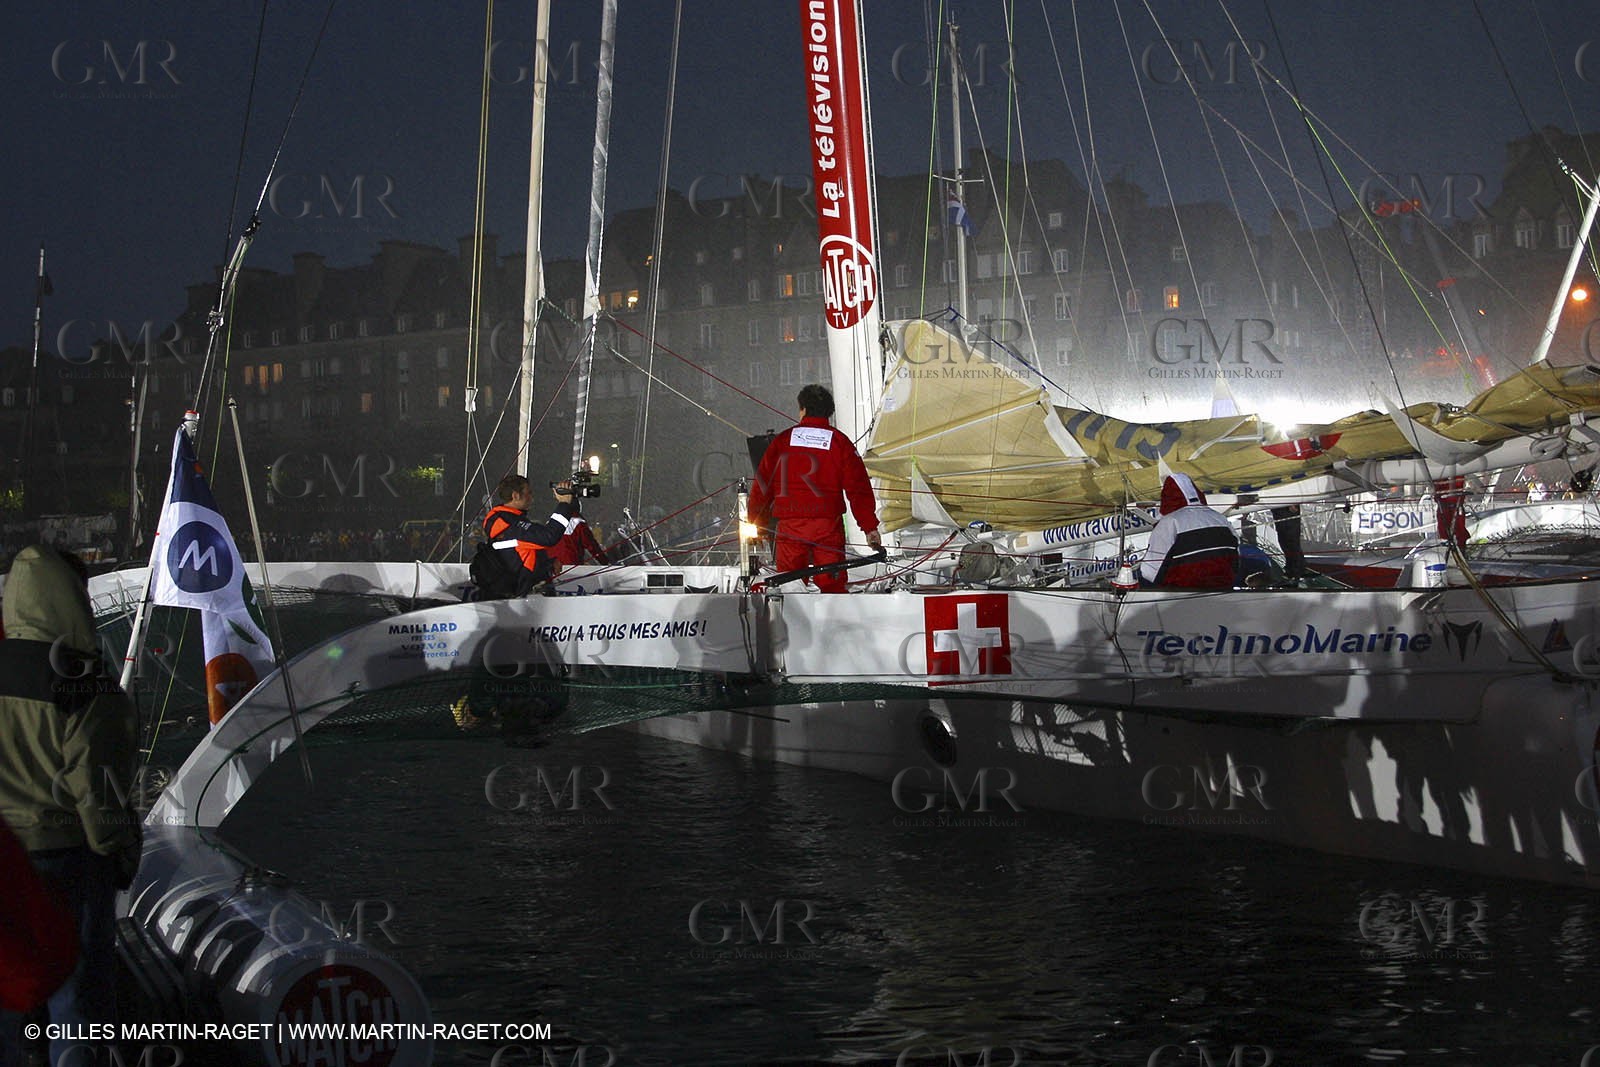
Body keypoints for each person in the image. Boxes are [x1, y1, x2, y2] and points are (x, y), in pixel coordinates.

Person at [0, 546, 141, 1067]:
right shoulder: (85, 681)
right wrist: (119, 851)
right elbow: (96, 791)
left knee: (11, 995)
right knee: (76, 1001)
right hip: (65, 859)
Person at [748, 384, 882, 593]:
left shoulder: (782, 441)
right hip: (827, 527)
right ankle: (834, 623)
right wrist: (869, 527)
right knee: (832, 588)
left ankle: (793, 624)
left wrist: (756, 523)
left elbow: (762, 487)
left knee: (790, 587)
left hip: (791, 527)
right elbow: (858, 488)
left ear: (803, 409)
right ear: (829, 411)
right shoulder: (840, 442)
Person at [478, 474, 577, 597]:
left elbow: (518, 556)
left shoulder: (508, 520)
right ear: (515, 495)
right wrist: (564, 504)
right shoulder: (510, 524)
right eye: (528, 493)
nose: (532, 498)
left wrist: (548, 564)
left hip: (524, 596)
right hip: (523, 599)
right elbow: (549, 536)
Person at [1139, 472, 1239, 588]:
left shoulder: (1170, 521)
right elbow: (1236, 550)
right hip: (1223, 585)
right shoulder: (1219, 518)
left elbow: (1151, 568)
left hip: (1181, 591)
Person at [549, 502, 609, 569]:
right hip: (572, 567)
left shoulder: (550, 523)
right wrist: (604, 562)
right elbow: (591, 546)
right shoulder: (578, 523)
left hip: (553, 568)